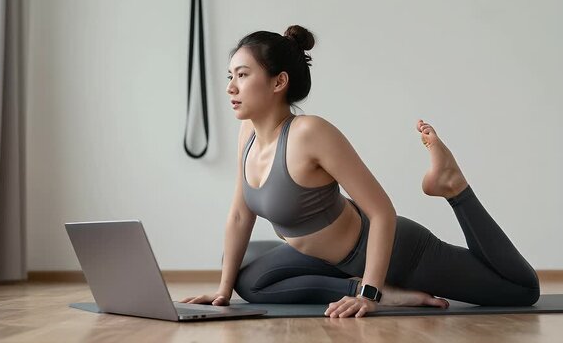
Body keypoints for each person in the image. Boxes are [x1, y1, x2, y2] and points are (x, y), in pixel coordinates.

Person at [180, 25, 540, 318]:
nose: (231, 87)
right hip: (325, 259)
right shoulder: (248, 133)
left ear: (278, 82)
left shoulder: (311, 133)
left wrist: (368, 294)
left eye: (242, 75)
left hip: (395, 251)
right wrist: (223, 291)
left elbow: (382, 211)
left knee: (521, 289)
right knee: (248, 277)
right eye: (231, 75)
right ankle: (385, 294)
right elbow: (240, 214)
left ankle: (455, 188)